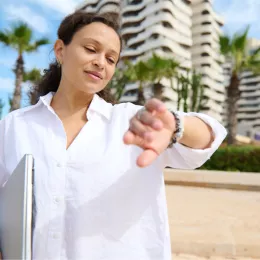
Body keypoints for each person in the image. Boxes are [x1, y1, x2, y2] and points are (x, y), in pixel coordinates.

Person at [0, 11, 227, 260]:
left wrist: (175, 125)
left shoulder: (132, 122)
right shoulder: (13, 127)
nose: (100, 62)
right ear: (60, 50)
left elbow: (209, 136)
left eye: (111, 59)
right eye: (90, 49)